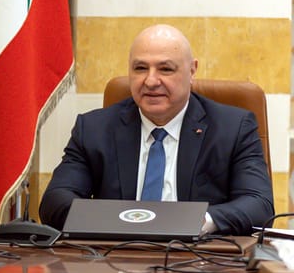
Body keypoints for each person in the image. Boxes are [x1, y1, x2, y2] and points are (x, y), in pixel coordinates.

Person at [39, 24, 273, 235]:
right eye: (140, 68)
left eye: (166, 69)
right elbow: (55, 202)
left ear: (192, 71)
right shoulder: (94, 129)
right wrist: (116, 221)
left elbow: (259, 205)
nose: (151, 81)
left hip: (197, 260)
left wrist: (200, 221)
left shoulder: (233, 128)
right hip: (115, 258)